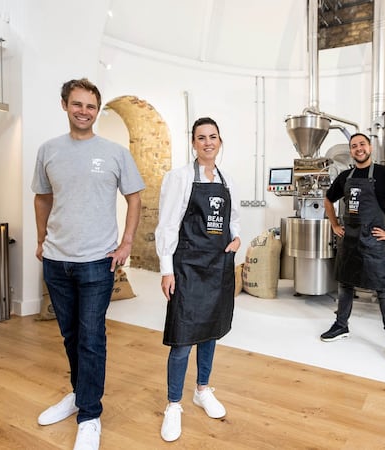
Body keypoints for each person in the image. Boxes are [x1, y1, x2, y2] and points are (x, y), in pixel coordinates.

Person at [31, 78, 145, 450]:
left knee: (92, 338)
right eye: (77, 104)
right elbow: (42, 198)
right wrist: (40, 239)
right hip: (56, 260)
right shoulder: (48, 150)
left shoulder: (114, 153)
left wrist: (126, 242)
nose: (84, 111)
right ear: (65, 105)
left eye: (91, 106)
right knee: (70, 336)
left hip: (98, 261)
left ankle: (90, 415)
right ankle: (79, 393)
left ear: (98, 110)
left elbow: (135, 198)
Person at [154, 117, 241, 442]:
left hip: (217, 266)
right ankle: (173, 404)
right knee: (182, 339)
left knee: (210, 333)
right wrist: (166, 268)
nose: (208, 142)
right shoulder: (178, 178)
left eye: (213, 137)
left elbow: (235, 219)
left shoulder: (227, 180)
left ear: (220, 141)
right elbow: (167, 226)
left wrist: (237, 239)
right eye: (201, 137)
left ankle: (202, 390)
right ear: (193, 143)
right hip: (188, 267)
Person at [321, 132, 385, 365]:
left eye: (362, 144)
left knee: (383, 289)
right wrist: (334, 224)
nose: (358, 149)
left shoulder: (384, 174)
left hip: (374, 242)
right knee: (345, 284)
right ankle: (341, 325)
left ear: (370, 148)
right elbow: (328, 200)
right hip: (350, 240)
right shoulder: (344, 176)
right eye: (354, 146)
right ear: (351, 151)